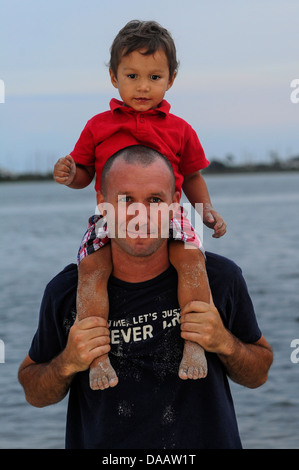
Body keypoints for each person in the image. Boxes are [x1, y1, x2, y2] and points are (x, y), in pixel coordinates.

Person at [19, 146, 273, 449]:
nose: (141, 215)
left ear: (175, 204)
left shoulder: (218, 279)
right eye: (125, 200)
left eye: (155, 200)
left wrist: (224, 342)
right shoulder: (66, 291)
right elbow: (34, 391)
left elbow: (258, 373)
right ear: (102, 204)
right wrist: (68, 362)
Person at [52, 20, 226, 390]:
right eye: (132, 75)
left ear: (172, 79)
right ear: (114, 77)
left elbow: (192, 176)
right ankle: (97, 357)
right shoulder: (98, 126)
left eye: (154, 77)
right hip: (112, 216)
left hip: (170, 214)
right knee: (91, 271)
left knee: (192, 261)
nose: (143, 86)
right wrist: (70, 176)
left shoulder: (179, 129)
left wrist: (206, 209)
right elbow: (85, 173)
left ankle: (194, 344)